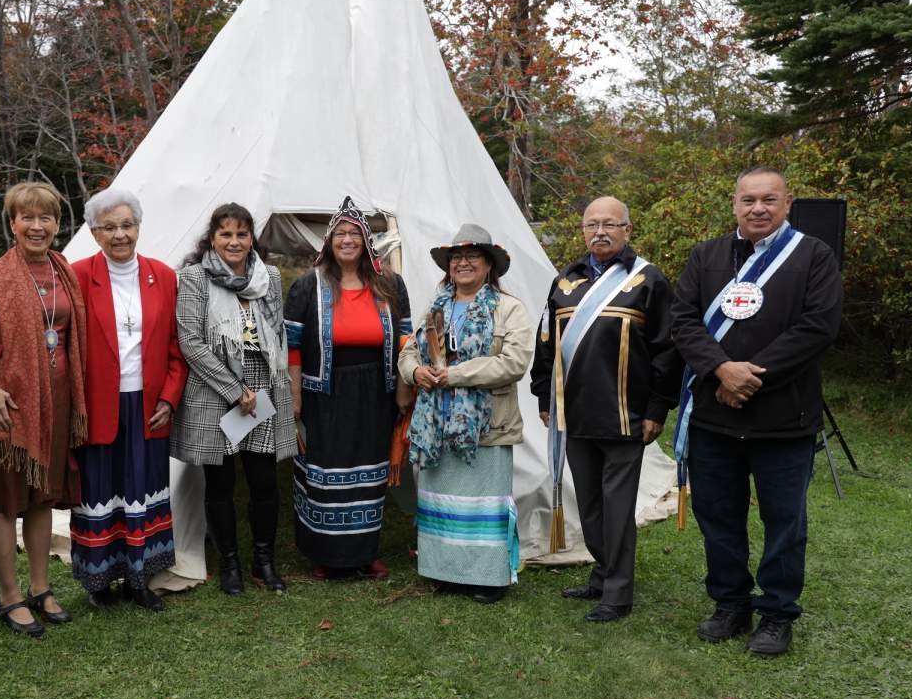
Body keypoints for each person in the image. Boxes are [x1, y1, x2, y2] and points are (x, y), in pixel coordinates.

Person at [671, 165, 841, 656]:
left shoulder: (814, 256)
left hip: (783, 420)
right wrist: (720, 370)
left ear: (788, 204)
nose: (758, 208)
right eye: (749, 200)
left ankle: (776, 615)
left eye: (769, 199)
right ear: (735, 204)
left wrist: (749, 378)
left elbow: (818, 327)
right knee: (718, 516)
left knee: (784, 522)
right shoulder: (707, 256)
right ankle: (730, 604)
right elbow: (681, 320)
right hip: (714, 417)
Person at [530, 197, 681, 622]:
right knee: (591, 503)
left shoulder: (648, 281)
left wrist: (657, 408)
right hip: (573, 415)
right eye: (592, 224)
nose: (600, 231)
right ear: (582, 231)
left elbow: (668, 352)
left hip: (625, 414)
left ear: (627, 229)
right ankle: (603, 572)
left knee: (617, 507)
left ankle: (618, 591)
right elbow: (546, 343)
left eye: (610, 224)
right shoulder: (564, 282)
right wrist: (545, 396)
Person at [0, 182, 88, 638]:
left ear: (58, 223)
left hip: (56, 402)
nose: (37, 226)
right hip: (8, 405)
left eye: (46, 218)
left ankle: (40, 587)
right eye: (27, 217)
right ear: (11, 222)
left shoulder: (64, 271)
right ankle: (9, 595)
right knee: (3, 504)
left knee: (42, 497)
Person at [398, 223, 533, 604]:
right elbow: (410, 352)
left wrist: (453, 376)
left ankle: (488, 578)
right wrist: (415, 372)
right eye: (456, 258)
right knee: (441, 500)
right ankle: (445, 571)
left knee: (482, 502)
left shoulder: (508, 309)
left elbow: (514, 362)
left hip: (485, 425)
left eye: (472, 256)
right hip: (436, 423)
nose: (463, 263)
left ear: (489, 265)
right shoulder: (437, 306)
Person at [70, 187, 187, 611]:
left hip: (148, 404)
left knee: (143, 488)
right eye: (109, 227)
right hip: (100, 404)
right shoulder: (78, 274)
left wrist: (170, 398)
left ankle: (140, 577)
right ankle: (98, 580)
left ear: (138, 227)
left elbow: (178, 346)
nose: (120, 235)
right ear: (94, 232)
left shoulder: (163, 275)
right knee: (101, 490)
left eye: (127, 225)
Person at [170, 203, 296, 595]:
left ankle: (264, 561)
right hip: (214, 389)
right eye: (226, 234)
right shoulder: (193, 278)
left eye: (242, 234)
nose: (234, 241)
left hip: (261, 388)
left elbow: (278, 335)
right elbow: (190, 341)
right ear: (212, 238)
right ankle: (229, 565)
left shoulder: (268, 277)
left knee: (263, 480)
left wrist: (275, 387)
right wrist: (232, 389)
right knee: (220, 482)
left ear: (251, 238)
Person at [284, 197, 411, 580]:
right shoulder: (309, 285)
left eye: (355, 233)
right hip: (325, 391)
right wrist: (295, 394)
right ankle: (327, 554)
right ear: (329, 241)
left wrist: (404, 388)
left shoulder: (389, 283)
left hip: (375, 388)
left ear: (367, 241)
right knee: (325, 469)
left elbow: (405, 337)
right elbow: (292, 344)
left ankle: (364, 552)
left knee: (369, 471)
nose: (347, 240)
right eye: (340, 233)